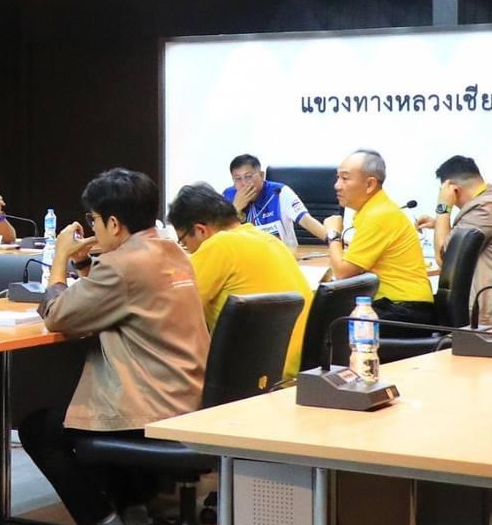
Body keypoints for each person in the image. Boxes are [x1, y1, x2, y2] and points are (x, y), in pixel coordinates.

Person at [18, 168, 209, 525]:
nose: (92, 228)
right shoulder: (172, 251)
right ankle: (135, 517)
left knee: (41, 429)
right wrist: (86, 265)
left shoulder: (123, 264)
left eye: (94, 220)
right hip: (186, 394)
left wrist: (60, 259)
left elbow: (58, 316)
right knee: (81, 410)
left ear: (114, 224)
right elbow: (114, 300)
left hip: (151, 403)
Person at [168, 182, 312, 384]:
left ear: (200, 231)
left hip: (251, 381)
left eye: (183, 242)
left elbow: (173, 311)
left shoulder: (218, 245)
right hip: (296, 375)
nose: (187, 250)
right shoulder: (270, 240)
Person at [417, 156, 492, 323]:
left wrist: (443, 209)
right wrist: (439, 225)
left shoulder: (484, 209)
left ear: (453, 190)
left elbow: (444, 260)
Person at [323, 149, 436, 325]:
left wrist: (333, 234)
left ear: (370, 184)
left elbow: (342, 273)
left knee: (326, 323)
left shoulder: (377, 215)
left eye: (345, 178)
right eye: (337, 178)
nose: (337, 185)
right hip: (397, 306)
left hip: (404, 309)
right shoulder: (376, 209)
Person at [223, 154, 329, 249]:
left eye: (248, 177)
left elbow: (306, 221)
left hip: (283, 257)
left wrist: (334, 241)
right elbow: (219, 236)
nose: (244, 183)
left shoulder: (279, 192)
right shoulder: (227, 196)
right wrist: (235, 209)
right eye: (237, 178)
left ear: (261, 175)